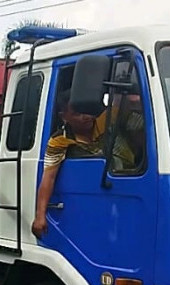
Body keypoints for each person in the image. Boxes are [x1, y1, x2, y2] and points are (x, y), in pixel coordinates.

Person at [31, 90, 139, 238]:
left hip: (134, 181)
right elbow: (49, 177)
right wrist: (40, 215)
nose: (86, 117)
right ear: (64, 117)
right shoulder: (59, 141)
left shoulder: (108, 118)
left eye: (87, 111)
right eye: (77, 113)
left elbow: (138, 116)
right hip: (104, 197)